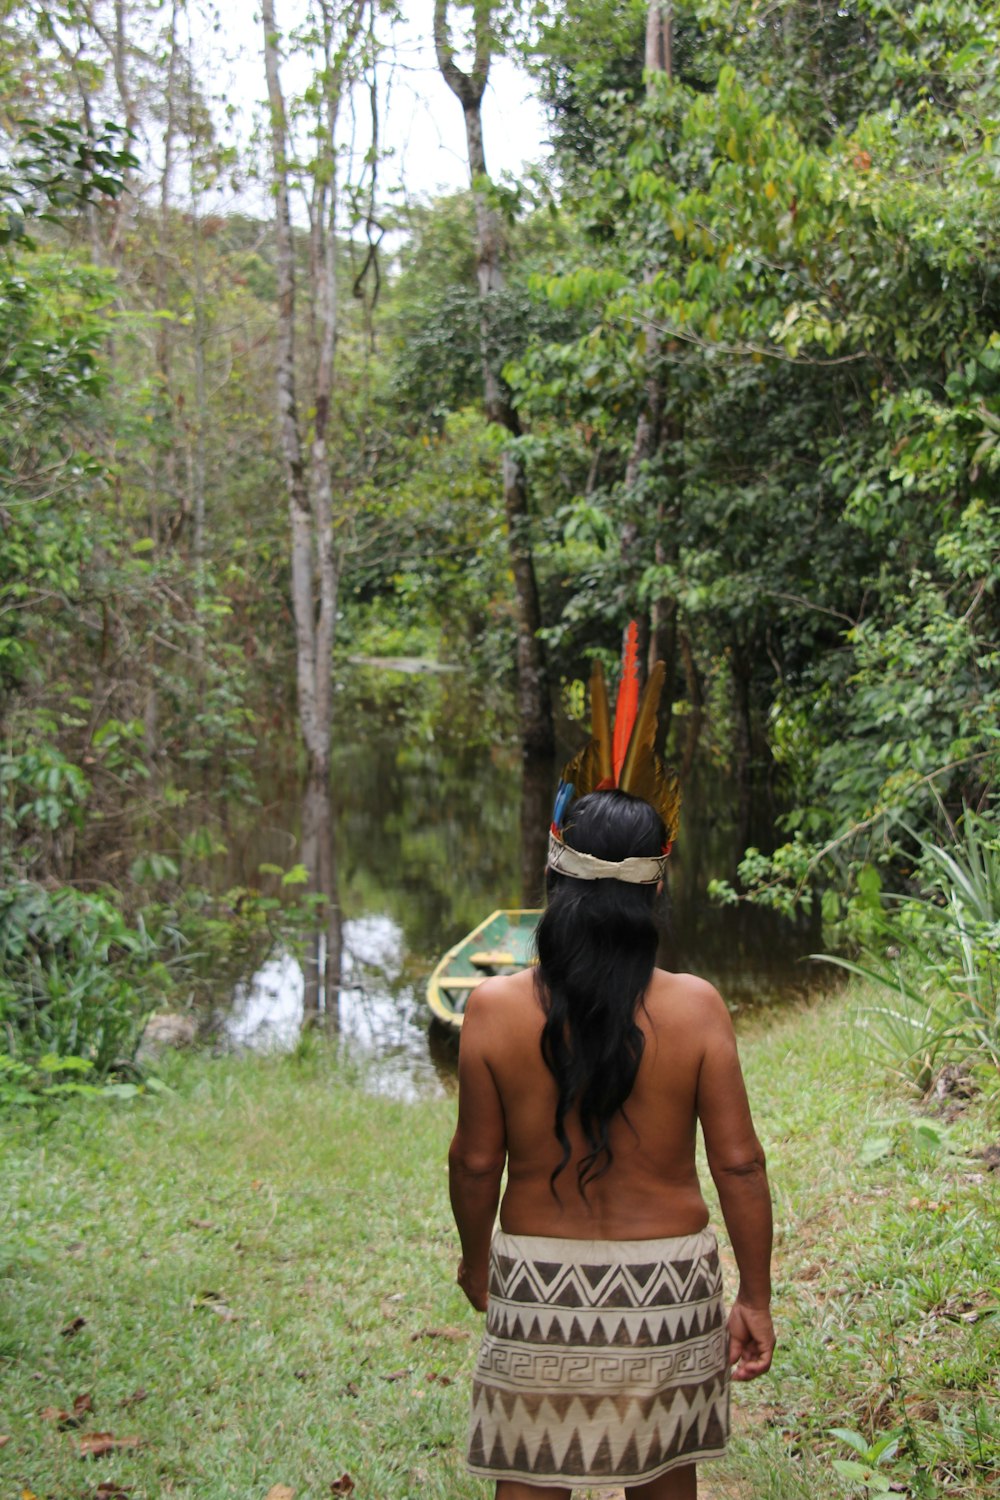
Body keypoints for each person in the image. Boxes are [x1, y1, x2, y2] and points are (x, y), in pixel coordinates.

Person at [449, 788, 775, 1499]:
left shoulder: (493, 1010)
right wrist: (755, 1294)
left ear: (553, 877)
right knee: (665, 1480)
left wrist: (478, 1262)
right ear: (656, 887)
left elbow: (477, 1163)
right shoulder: (696, 1008)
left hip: (540, 1285)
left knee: (529, 1476)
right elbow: (739, 1161)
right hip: (667, 1290)